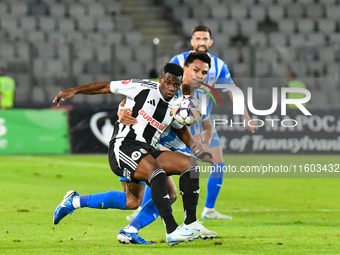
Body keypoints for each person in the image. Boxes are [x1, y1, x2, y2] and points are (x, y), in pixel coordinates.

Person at [52, 63, 215, 246]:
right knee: (157, 174)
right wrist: (75, 91)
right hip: (124, 146)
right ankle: (172, 230)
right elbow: (107, 86)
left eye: (175, 85)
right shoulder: (142, 87)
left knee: (148, 194)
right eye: (168, 83)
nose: (171, 88)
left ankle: (76, 203)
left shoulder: (174, 106)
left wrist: (198, 149)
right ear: (161, 79)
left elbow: (180, 129)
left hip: (147, 150)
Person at [117, 52, 217, 244]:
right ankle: (78, 203)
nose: (200, 75)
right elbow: (126, 102)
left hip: (174, 147)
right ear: (185, 69)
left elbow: (196, 120)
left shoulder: (200, 92)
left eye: (204, 72)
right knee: (136, 197)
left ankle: (188, 223)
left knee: (170, 191)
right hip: (147, 145)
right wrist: (121, 111)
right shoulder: (166, 86)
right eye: (196, 70)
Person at [169, 25, 257, 220]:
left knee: (218, 164)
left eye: (205, 39)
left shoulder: (219, 65)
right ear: (192, 41)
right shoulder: (177, 60)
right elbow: (164, 85)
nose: (201, 42)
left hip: (204, 123)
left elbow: (232, 91)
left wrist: (246, 117)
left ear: (211, 42)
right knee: (164, 168)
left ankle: (208, 210)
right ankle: (143, 210)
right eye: (198, 39)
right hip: (177, 124)